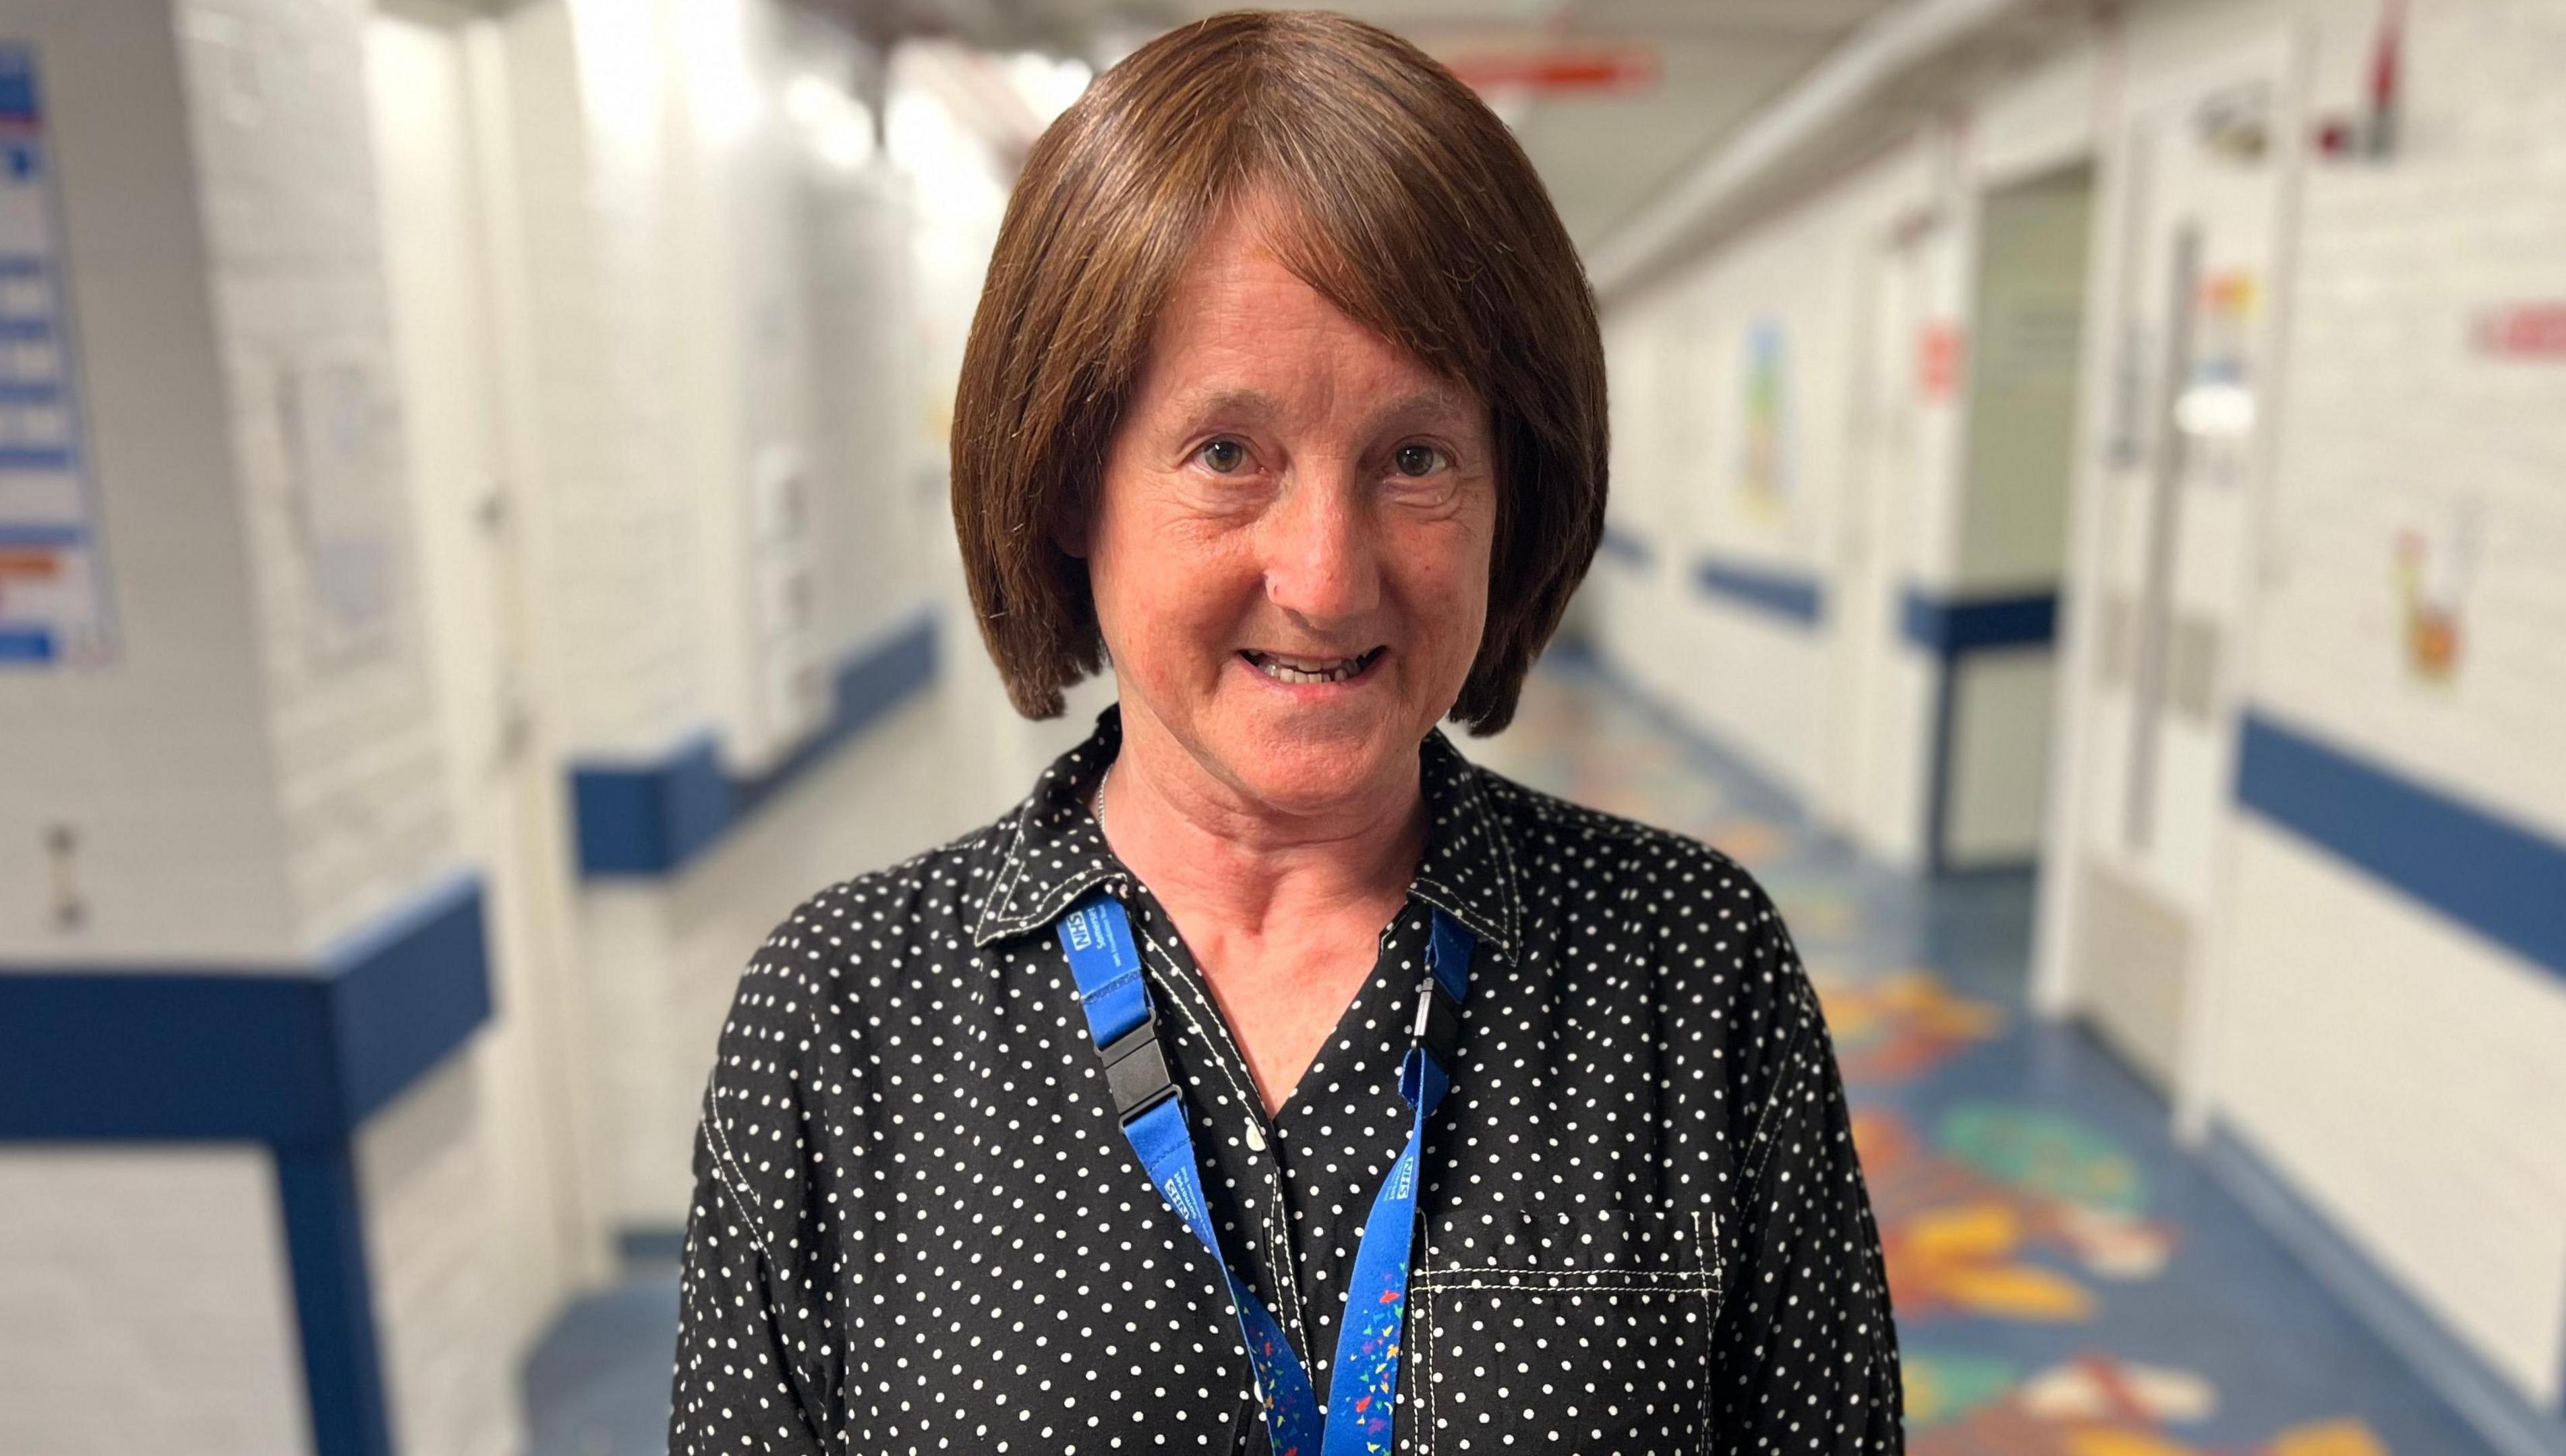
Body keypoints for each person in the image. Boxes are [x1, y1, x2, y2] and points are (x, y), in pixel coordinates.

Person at [670, 11, 1901, 1453]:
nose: (1326, 578)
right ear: (1073, 482)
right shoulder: (842, 1025)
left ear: (1514, 494)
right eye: (1227, 454)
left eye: (1417, 458)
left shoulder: (1689, 976)